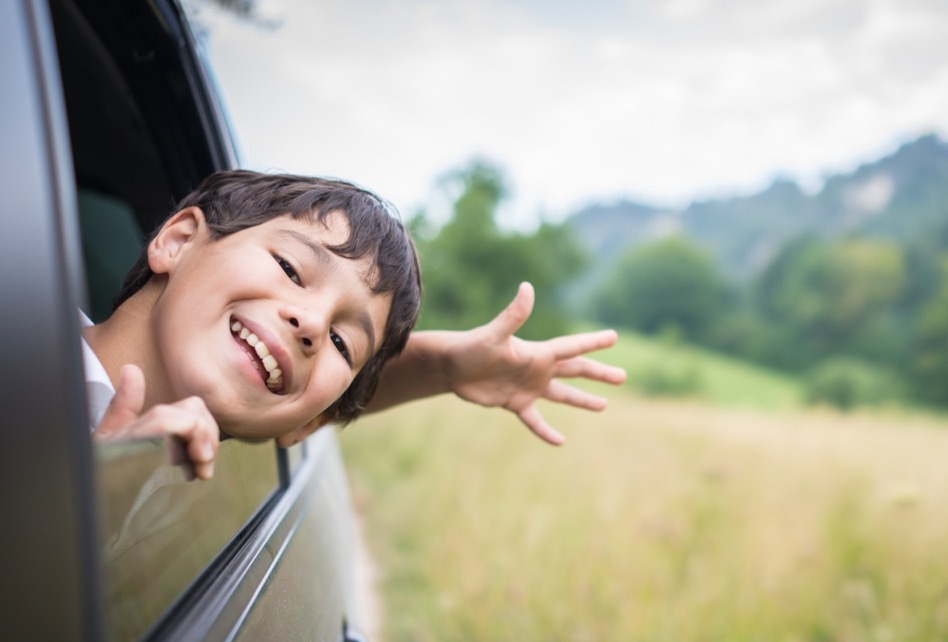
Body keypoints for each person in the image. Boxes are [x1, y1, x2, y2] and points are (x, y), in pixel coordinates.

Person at [82, 170, 626, 479]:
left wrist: (440, 368)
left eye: (343, 343)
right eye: (291, 268)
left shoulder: (175, 471)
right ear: (178, 240)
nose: (313, 325)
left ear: (305, 427)